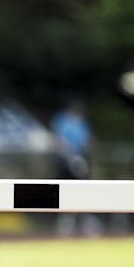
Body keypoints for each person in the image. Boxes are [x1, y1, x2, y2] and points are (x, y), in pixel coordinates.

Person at [50, 97, 101, 236]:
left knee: (82, 192)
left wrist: (85, 160)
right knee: (65, 192)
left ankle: (85, 222)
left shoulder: (82, 123)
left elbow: (89, 142)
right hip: (65, 162)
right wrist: (70, 156)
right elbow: (56, 141)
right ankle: (67, 224)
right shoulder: (62, 119)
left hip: (80, 162)